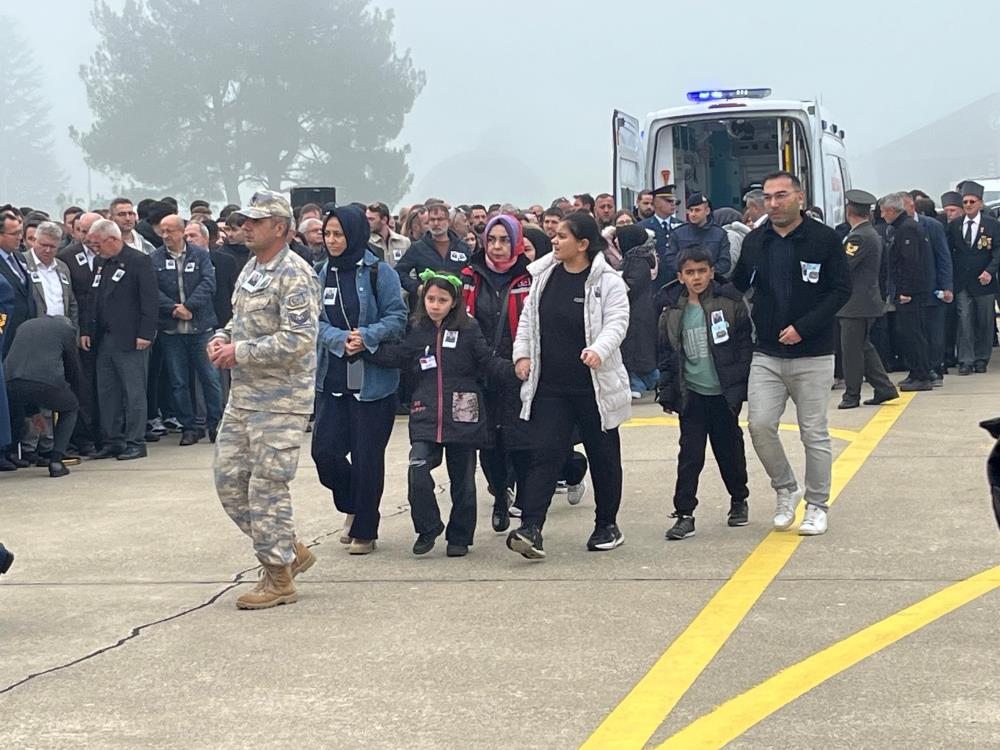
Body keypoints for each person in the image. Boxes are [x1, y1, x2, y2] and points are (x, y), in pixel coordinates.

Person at [207, 191, 321, 610]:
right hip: (244, 398)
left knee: (267, 489)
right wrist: (223, 337)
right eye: (245, 220)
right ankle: (289, 549)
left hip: (281, 400)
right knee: (229, 481)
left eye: (256, 220)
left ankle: (278, 577)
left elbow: (299, 338)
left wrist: (241, 351)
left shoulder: (295, 273)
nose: (247, 226)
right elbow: (240, 320)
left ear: (280, 227)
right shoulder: (252, 268)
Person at [731, 171, 851, 537]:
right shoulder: (756, 241)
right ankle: (785, 488)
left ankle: (817, 504)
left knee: (813, 431)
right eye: (767, 197)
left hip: (813, 353)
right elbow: (738, 284)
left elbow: (840, 290)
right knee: (760, 425)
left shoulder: (824, 239)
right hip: (766, 353)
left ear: (799, 197)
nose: (773, 203)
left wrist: (805, 326)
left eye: (781, 195)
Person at [508, 212, 631, 559]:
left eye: (563, 236)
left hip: (594, 386)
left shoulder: (607, 281)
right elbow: (528, 321)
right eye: (555, 235)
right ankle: (531, 527)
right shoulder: (544, 275)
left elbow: (617, 322)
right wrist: (522, 355)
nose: (555, 240)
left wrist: (598, 350)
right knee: (544, 452)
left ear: (583, 244)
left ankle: (607, 523)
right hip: (550, 386)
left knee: (604, 455)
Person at [370, 271, 503, 556]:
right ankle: (428, 526)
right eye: (430, 299)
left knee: (463, 480)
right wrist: (364, 350)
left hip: (463, 409)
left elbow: (486, 361)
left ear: (454, 302)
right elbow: (399, 356)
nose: (435, 305)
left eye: (442, 300)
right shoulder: (417, 328)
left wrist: (514, 372)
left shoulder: (469, 329)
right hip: (425, 410)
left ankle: (460, 536)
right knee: (417, 469)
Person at [310, 204, 408, 556]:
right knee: (324, 453)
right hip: (332, 377)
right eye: (328, 234)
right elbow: (311, 320)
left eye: (339, 234)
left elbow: (398, 316)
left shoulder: (378, 272)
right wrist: (338, 339)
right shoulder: (319, 273)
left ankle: (366, 527)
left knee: (368, 458)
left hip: (373, 382)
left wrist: (366, 335)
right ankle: (353, 504)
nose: (333, 240)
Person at [658, 244, 752, 539]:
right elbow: (667, 353)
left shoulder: (730, 302)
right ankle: (684, 513)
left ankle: (739, 499)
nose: (696, 277)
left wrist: (739, 384)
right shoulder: (672, 310)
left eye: (702, 271)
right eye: (690, 272)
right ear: (680, 276)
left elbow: (744, 345)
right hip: (692, 393)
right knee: (690, 454)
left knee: (730, 449)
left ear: (712, 272)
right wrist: (668, 390)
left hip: (723, 393)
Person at [460, 215, 532, 532]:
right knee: (488, 442)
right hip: (478, 370)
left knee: (518, 439)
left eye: (504, 240)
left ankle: (524, 500)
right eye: (492, 240)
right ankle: (500, 495)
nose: (498, 247)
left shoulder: (530, 276)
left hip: (516, 368)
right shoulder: (468, 276)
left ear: (516, 242)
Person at [82, 219, 158, 461]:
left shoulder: (138, 261)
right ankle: (112, 439)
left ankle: (135, 441)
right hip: (104, 338)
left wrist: (145, 334)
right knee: (108, 392)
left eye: (97, 245)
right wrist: (86, 329)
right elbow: (92, 298)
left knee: (133, 391)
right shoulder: (100, 263)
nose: (95, 249)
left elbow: (150, 301)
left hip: (131, 337)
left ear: (112, 240)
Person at [152, 215, 223, 444]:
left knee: (210, 378)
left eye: (170, 231)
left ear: (182, 232)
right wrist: (174, 308)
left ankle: (215, 424)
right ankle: (189, 427)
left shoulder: (200, 255)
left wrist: (189, 306)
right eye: (162, 231)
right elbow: (152, 291)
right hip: (172, 331)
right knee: (178, 382)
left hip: (201, 327)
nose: (165, 236)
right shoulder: (154, 259)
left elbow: (208, 283)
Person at [835, 191, 897, 409]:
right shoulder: (866, 233)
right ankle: (884, 388)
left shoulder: (858, 236)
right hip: (863, 302)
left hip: (855, 304)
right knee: (864, 347)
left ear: (849, 211)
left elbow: (843, 266)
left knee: (851, 351)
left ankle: (852, 395)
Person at [4, 316, 82, 478]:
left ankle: (8, 454)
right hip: (45, 381)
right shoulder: (66, 329)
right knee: (71, 407)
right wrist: (77, 390)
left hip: (9, 379)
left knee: (15, 414)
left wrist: (34, 412)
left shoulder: (25, 324)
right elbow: (72, 365)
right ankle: (56, 461)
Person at [881, 192, 934, 391]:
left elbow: (910, 262)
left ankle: (922, 375)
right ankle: (914, 372)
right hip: (907, 289)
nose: (882, 215)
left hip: (911, 292)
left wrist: (906, 291)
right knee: (907, 332)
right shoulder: (901, 227)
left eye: (884, 211)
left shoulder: (907, 229)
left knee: (914, 333)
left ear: (892, 211)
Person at [946, 180, 1000, 375]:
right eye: (965, 202)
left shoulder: (992, 225)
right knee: (964, 320)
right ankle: (966, 360)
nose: (968, 205)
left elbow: (997, 250)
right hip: (962, 281)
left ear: (980, 203)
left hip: (984, 280)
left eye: (972, 201)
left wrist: (990, 270)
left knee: (985, 321)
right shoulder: (955, 226)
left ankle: (981, 358)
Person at [603, 224, 658, 398]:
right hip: (639, 311)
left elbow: (631, 285)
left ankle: (640, 382)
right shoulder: (636, 258)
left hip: (637, 313)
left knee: (636, 348)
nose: (616, 242)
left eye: (619, 238)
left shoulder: (636, 260)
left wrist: (615, 284)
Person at [905, 192, 952, 386]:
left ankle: (934, 369)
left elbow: (943, 257)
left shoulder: (932, 226)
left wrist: (946, 286)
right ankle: (917, 369)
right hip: (909, 291)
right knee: (913, 333)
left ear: (911, 207)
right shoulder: (896, 228)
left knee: (934, 333)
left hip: (933, 289)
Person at [395, 203, 470, 299]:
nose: (436, 223)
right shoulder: (418, 248)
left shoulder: (462, 248)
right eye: (432, 220)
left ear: (448, 221)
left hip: (456, 303)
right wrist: (416, 287)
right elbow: (399, 271)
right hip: (427, 305)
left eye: (440, 219)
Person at [666, 192, 732, 280]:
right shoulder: (678, 233)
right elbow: (670, 258)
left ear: (707, 211)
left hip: (713, 283)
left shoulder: (720, 234)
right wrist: (688, 273)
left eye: (697, 210)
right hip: (684, 284)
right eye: (690, 210)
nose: (693, 214)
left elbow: (725, 262)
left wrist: (706, 273)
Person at [0, 210, 36, 357]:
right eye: (14, 234)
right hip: (6, 334)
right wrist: (1, 328)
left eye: (20, 232)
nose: (20, 238)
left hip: (25, 336)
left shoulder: (19, 258)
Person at [638, 185, 683, 286]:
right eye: (668, 201)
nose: (673, 204)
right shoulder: (642, 227)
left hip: (677, 281)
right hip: (654, 282)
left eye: (674, 201)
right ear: (656, 203)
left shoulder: (682, 226)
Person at [367, 201, 410, 268]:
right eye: (366, 219)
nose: (367, 222)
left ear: (384, 220)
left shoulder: (404, 242)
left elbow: (411, 270)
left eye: (371, 219)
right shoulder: (366, 243)